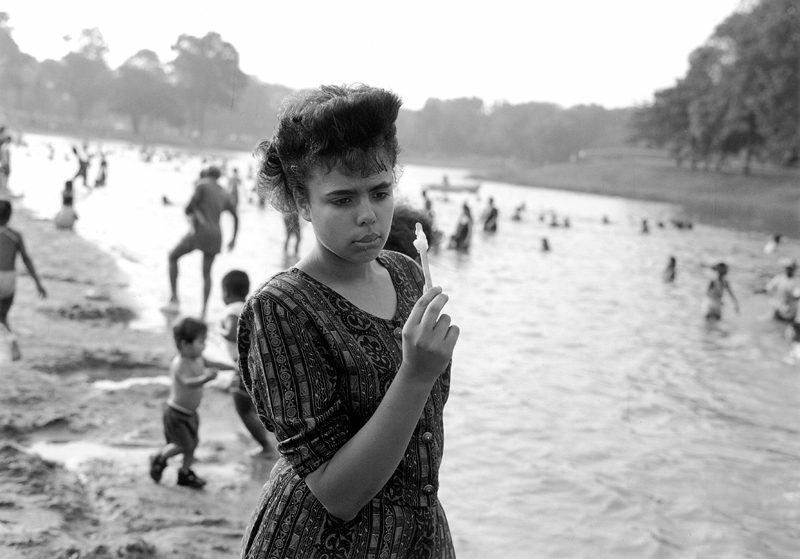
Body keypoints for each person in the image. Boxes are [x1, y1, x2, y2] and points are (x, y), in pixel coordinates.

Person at [237, 84, 459, 558]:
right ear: (302, 203)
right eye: (341, 200)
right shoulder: (282, 308)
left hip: (418, 538)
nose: (369, 217)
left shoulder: (406, 273)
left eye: (380, 193)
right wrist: (415, 373)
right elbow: (337, 494)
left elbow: (422, 443)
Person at [149, 316, 236, 488]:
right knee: (182, 444)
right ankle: (159, 457)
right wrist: (206, 378)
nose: (204, 346)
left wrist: (233, 367)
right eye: (201, 342)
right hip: (176, 413)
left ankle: (184, 472)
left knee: (192, 444)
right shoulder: (179, 364)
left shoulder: (198, 357)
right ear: (184, 345)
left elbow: (213, 363)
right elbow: (188, 382)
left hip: (190, 413)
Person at [166, 166, 238, 318]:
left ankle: (174, 299)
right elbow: (236, 216)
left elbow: (188, 208)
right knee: (206, 274)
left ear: (206, 174)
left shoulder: (202, 185)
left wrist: (196, 212)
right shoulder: (224, 192)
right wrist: (233, 239)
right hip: (217, 235)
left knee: (172, 257)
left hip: (200, 231)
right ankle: (204, 311)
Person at [219, 270, 272, 456]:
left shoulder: (230, 310)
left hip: (243, 366)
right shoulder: (248, 306)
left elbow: (232, 330)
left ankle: (265, 446)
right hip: (256, 363)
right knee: (253, 404)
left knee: (242, 408)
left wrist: (221, 333)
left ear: (225, 291)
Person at [0, 197, 47, 361]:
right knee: (3, 315)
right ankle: (11, 340)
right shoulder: (15, 235)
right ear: (10, 215)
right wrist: (38, 283)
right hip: (9, 280)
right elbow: (27, 260)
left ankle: (11, 340)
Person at [764, 258, 800, 322]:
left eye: (790, 268)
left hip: (790, 313)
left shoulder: (797, 281)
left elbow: (796, 295)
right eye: (787, 268)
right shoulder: (779, 278)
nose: (788, 270)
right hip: (778, 310)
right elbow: (767, 288)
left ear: (794, 269)